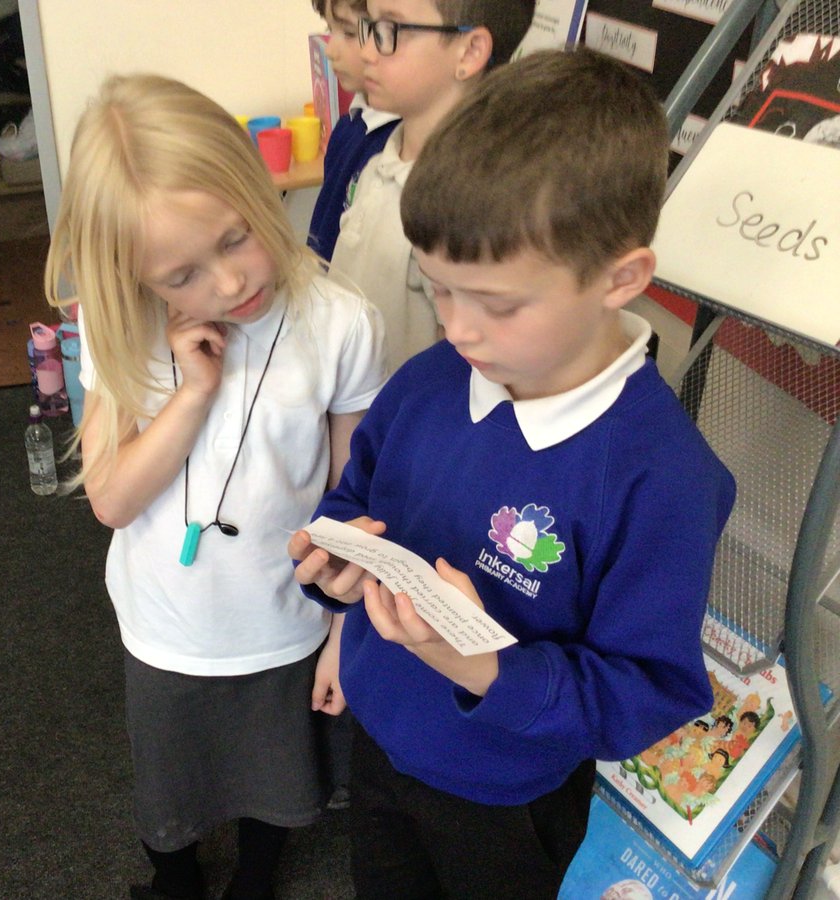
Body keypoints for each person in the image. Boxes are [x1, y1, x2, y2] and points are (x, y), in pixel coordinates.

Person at [288, 49, 737, 898]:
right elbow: (357, 498)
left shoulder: (662, 479)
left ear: (621, 278)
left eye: (496, 303)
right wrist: (334, 566)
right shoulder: (428, 382)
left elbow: (647, 693)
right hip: (382, 741)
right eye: (439, 288)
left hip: (509, 796)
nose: (458, 328)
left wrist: (481, 665)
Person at [44, 73, 387, 900]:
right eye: (181, 276)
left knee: (280, 774)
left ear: (256, 185)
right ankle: (175, 881)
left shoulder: (340, 322)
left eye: (236, 238)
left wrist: (345, 631)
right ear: (136, 277)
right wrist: (192, 393)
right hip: (166, 622)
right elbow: (112, 500)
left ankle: (256, 882)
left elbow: (353, 495)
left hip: (284, 617)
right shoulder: (117, 319)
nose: (228, 286)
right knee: (170, 785)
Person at [327, 0, 535, 372]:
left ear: (469, 52)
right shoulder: (381, 162)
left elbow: (464, 370)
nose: (367, 50)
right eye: (369, 26)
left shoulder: (468, 202)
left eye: (390, 31)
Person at [307, 0, 399, 262]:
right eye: (329, 29)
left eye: (348, 33)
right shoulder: (349, 125)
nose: (330, 50)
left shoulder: (398, 143)